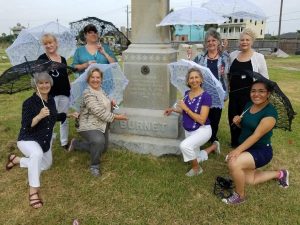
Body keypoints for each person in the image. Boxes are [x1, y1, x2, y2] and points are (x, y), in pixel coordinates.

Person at [5, 72, 75, 209]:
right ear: (35, 85)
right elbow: (26, 125)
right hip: (28, 138)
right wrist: (39, 116)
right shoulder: (29, 103)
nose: (44, 85)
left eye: (46, 82)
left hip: (44, 140)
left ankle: (17, 160)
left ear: (50, 84)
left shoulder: (51, 100)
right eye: (40, 83)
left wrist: (69, 115)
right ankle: (33, 192)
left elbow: (53, 117)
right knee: (36, 155)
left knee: (45, 165)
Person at [222, 80, 289, 205]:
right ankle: (280, 174)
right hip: (247, 148)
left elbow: (256, 136)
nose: (256, 94)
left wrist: (237, 150)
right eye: (253, 91)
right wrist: (238, 122)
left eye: (261, 91)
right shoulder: (249, 105)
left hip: (261, 151)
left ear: (268, 93)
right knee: (250, 180)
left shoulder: (270, 114)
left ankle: (240, 196)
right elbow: (247, 127)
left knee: (234, 163)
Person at [68, 68, 128, 177]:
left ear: (101, 79)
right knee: (98, 141)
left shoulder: (101, 89)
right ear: (88, 79)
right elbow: (99, 112)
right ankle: (94, 166)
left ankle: (76, 144)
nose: (95, 80)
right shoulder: (88, 93)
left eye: (98, 77)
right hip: (87, 124)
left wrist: (111, 103)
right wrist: (118, 117)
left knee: (102, 148)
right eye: (93, 77)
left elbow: (104, 103)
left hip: (101, 124)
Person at [164, 68, 212, 177]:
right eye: (191, 78)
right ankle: (213, 146)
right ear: (188, 81)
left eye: (196, 77)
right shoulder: (186, 93)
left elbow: (201, 119)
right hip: (188, 130)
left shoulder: (206, 97)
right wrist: (173, 109)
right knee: (196, 156)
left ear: (201, 80)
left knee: (185, 146)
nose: (194, 80)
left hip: (202, 130)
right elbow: (184, 111)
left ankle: (196, 169)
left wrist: (186, 108)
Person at [228, 28, 269, 147]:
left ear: (252, 41)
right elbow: (228, 73)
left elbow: (265, 78)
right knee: (233, 118)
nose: (244, 42)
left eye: (247, 40)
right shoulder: (233, 55)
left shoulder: (259, 57)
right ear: (239, 41)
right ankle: (235, 143)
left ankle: (246, 144)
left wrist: (263, 95)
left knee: (246, 121)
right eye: (242, 40)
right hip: (234, 94)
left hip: (250, 96)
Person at [193, 28, 230, 161]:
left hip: (219, 94)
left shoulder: (225, 58)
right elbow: (194, 73)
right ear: (205, 43)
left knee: (215, 119)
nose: (211, 43)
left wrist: (227, 91)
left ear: (218, 42)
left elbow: (228, 76)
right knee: (203, 117)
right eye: (208, 41)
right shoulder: (200, 58)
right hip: (203, 93)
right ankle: (202, 138)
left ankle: (213, 138)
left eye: (214, 40)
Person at [38, 33, 71, 150]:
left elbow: (65, 76)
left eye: (50, 42)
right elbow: (39, 78)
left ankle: (64, 142)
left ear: (56, 43)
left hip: (65, 93)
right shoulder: (42, 59)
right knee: (50, 119)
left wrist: (70, 88)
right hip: (51, 95)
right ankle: (47, 143)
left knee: (64, 118)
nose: (48, 45)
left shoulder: (63, 59)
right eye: (45, 44)